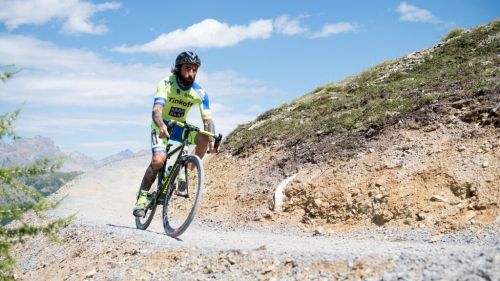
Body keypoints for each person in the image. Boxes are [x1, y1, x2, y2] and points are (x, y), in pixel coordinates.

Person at [133, 51, 216, 217]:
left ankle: (183, 175)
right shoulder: (166, 83)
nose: (191, 73)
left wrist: (212, 138)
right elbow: (156, 110)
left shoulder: (200, 92)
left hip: (179, 127)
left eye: (194, 70)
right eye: (187, 69)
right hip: (161, 125)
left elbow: (208, 120)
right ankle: (142, 198)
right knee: (158, 160)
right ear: (178, 68)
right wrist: (161, 125)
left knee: (205, 139)